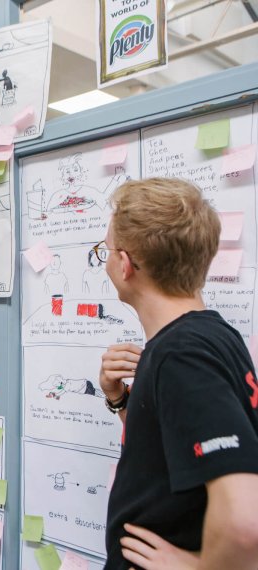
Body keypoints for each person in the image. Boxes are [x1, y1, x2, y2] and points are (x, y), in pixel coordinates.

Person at [98, 178, 258, 569]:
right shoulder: (214, 335)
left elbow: (245, 521)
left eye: (105, 250)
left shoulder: (180, 355)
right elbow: (179, 449)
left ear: (125, 264)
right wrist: (120, 400)